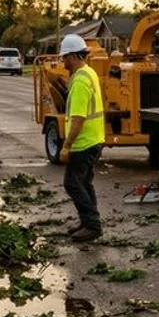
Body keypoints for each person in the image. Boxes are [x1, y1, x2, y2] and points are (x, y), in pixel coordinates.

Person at [58, 34, 105, 242]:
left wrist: (66, 146)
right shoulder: (89, 73)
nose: (63, 62)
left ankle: (92, 224)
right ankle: (88, 223)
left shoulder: (79, 81)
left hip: (84, 142)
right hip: (95, 138)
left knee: (72, 183)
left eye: (64, 57)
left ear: (73, 56)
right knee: (84, 182)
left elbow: (78, 117)